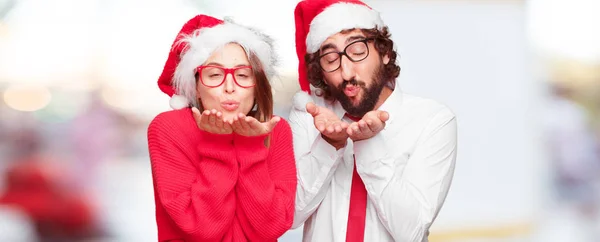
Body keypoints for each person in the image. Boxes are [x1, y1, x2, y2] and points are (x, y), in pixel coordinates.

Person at [289, 0, 458, 241]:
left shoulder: (432, 120)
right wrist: (329, 144)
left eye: (357, 52)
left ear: (385, 53)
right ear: (322, 74)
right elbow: (292, 215)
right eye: (330, 59)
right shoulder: (309, 115)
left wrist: (368, 144)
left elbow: (412, 232)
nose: (346, 73)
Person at [147, 14, 297, 242]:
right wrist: (217, 144)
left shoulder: (275, 130)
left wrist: (251, 148)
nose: (229, 87)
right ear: (196, 86)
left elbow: (270, 228)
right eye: (215, 74)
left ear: (257, 86)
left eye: (243, 75)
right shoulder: (168, 127)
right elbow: (202, 229)